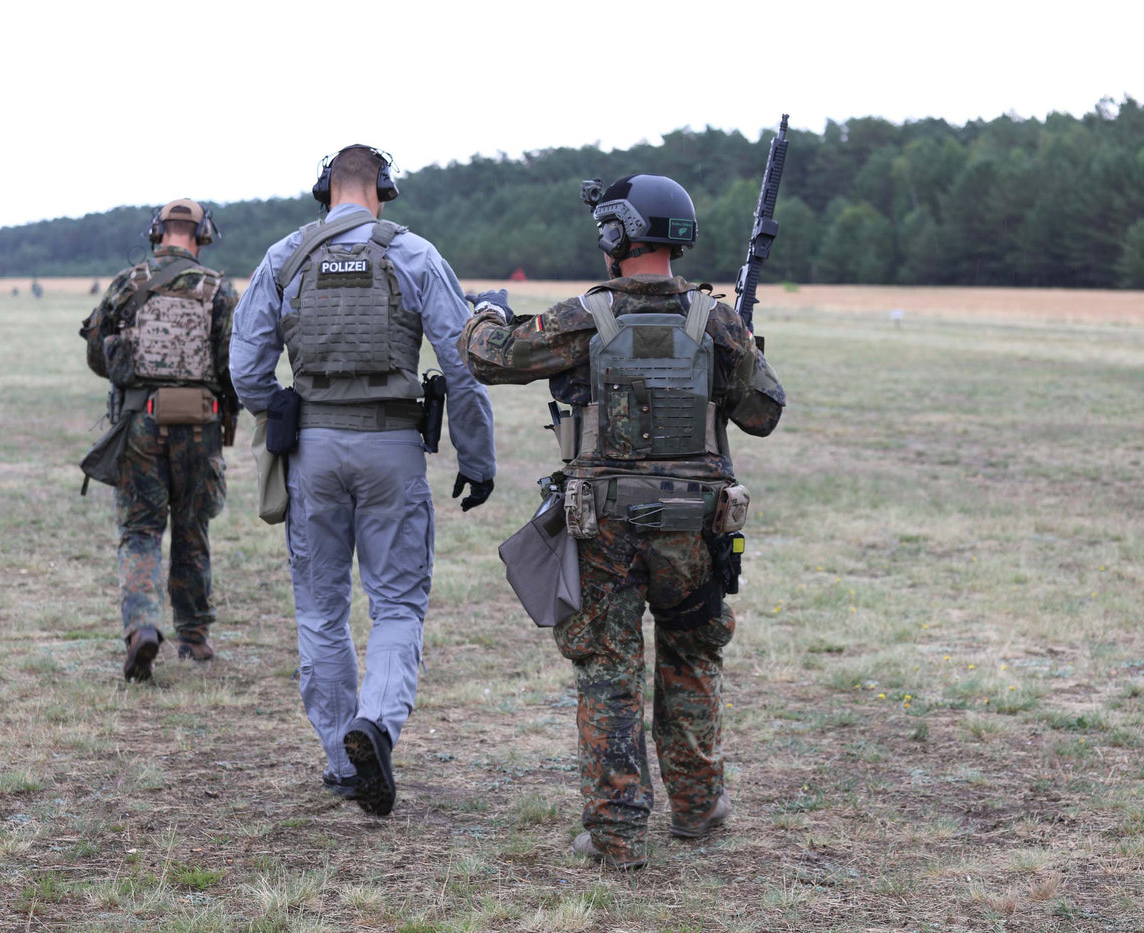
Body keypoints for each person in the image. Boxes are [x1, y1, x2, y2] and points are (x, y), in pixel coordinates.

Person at [458, 174, 786, 869]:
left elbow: (490, 355)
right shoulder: (714, 320)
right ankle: (698, 808)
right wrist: (745, 349)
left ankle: (616, 835)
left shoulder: (586, 317)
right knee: (692, 659)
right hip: (693, 528)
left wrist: (484, 312)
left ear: (617, 235)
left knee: (609, 673)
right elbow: (763, 413)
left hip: (603, 529)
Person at [229, 145, 496, 817]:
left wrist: (278, 407)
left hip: (313, 448)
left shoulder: (284, 257)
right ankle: (373, 725)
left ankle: (338, 755)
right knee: (398, 605)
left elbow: (245, 364)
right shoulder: (413, 254)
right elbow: (463, 362)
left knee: (320, 609)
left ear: (325, 189)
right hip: (392, 448)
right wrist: (476, 455)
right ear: (382, 190)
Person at [79, 198, 239, 681]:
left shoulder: (127, 284)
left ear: (157, 232)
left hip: (139, 425)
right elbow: (232, 364)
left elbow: (95, 352)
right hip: (200, 426)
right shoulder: (219, 290)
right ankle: (194, 637)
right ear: (203, 234)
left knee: (141, 531)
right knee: (192, 529)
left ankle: (143, 628)